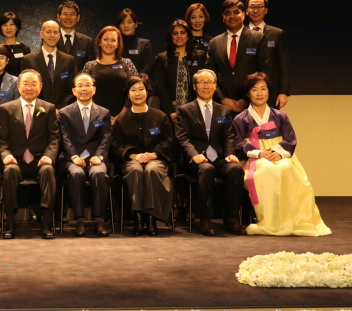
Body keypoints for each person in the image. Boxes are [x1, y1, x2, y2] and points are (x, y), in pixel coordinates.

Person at [233, 72, 330, 236]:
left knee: (285, 169)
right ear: (248, 93)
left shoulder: (280, 116)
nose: (259, 93)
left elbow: (291, 139)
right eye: (254, 89)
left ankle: (292, 218)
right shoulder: (240, 119)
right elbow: (237, 144)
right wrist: (259, 153)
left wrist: (278, 153)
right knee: (265, 170)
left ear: (269, 92)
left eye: (263, 89)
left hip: (280, 155)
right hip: (254, 158)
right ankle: (270, 220)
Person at [175, 69, 247, 236]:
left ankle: (232, 218)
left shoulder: (223, 111)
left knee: (235, 169)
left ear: (215, 86)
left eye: (209, 82)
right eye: (201, 82)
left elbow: (228, 136)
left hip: (219, 157)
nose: (205, 86)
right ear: (194, 86)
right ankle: (205, 219)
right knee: (207, 169)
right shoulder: (184, 110)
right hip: (196, 159)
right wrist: (194, 155)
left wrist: (230, 153)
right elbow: (182, 138)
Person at [0, 70, 59, 239]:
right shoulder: (6, 109)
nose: (29, 87)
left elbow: (54, 138)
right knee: (9, 171)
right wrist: (6, 155)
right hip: (16, 160)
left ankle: (46, 221)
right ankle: (9, 220)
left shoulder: (48, 108)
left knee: (48, 170)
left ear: (40, 87)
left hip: (40, 159)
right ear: (18, 87)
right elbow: (1, 140)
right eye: (25, 84)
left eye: (33, 84)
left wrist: (49, 156)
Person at [112, 74, 173, 236]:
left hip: (156, 159)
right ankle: (138, 216)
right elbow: (116, 145)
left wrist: (154, 154)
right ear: (128, 94)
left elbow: (168, 141)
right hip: (132, 160)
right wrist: (134, 156)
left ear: (148, 92)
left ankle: (151, 217)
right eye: (133, 90)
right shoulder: (121, 119)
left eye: (141, 89)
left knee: (152, 170)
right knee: (135, 170)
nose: (137, 93)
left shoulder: (160, 116)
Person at [59, 73, 112, 237]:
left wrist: (100, 156)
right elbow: (64, 137)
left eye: (87, 85)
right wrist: (74, 156)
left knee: (98, 173)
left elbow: (106, 137)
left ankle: (99, 220)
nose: (84, 89)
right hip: (74, 158)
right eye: (80, 86)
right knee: (76, 174)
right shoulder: (65, 112)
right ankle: (79, 220)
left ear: (94, 89)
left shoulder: (103, 113)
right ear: (74, 91)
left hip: (96, 158)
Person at [207, 0, 269, 113]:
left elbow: (263, 71)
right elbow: (211, 75)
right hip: (223, 106)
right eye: (227, 13)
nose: (232, 16)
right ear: (223, 17)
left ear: (244, 14)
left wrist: (245, 99)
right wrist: (223, 99)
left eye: (236, 12)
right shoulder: (214, 42)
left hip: (251, 104)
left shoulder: (258, 38)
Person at [82, 26, 138, 122]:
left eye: (113, 40)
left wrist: (123, 113)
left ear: (118, 44)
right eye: (106, 39)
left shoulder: (127, 63)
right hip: (95, 118)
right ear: (99, 41)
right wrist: (98, 115)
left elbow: (136, 88)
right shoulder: (89, 65)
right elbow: (83, 93)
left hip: (124, 118)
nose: (109, 43)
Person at [155, 19, 207, 119]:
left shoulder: (199, 56)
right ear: (171, 37)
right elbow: (162, 88)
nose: (179, 36)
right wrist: (171, 112)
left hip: (194, 111)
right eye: (175, 33)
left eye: (182, 33)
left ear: (188, 35)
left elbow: (201, 84)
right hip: (169, 113)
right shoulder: (162, 58)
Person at [246, 0, 290, 109]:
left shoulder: (277, 34)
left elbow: (283, 65)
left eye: (260, 6)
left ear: (266, 10)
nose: (256, 10)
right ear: (246, 11)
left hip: (271, 92)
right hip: (245, 92)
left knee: (269, 125)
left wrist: (283, 92)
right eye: (252, 7)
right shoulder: (240, 34)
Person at [21, 21, 77, 110]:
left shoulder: (69, 60)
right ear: (41, 34)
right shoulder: (28, 60)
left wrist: (60, 108)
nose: (52, 35)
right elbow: (27, 88)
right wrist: (44, 108)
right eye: (48, 32)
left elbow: (72, 88)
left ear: (59, 35)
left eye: (55, 32)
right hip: (37, 112)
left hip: (63, 112)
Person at [55, 0, 96, 71]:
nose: (68, 17)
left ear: (78, 17)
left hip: (80, 81)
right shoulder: (51, 39)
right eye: (65, 14)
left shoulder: (87, 42)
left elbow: (91, 68)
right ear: (58, 17)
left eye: (72, 14)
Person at [117, 8, 154, 76]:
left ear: (136, 24)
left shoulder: (144, 44)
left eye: (129, 22)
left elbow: (148, 67)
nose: (126, 26)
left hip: (139, 84)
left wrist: (138, 81)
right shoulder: (115, 45)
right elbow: (112, 66)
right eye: (122, 22)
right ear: (119, 26)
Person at [0, 12, 31, 78]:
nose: (8, 28)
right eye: (4, 25)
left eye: (11, 24)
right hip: (2, 86)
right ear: (0, 28)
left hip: (21, 86)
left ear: (17, 27)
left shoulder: (25, 49)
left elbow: (28, 72)